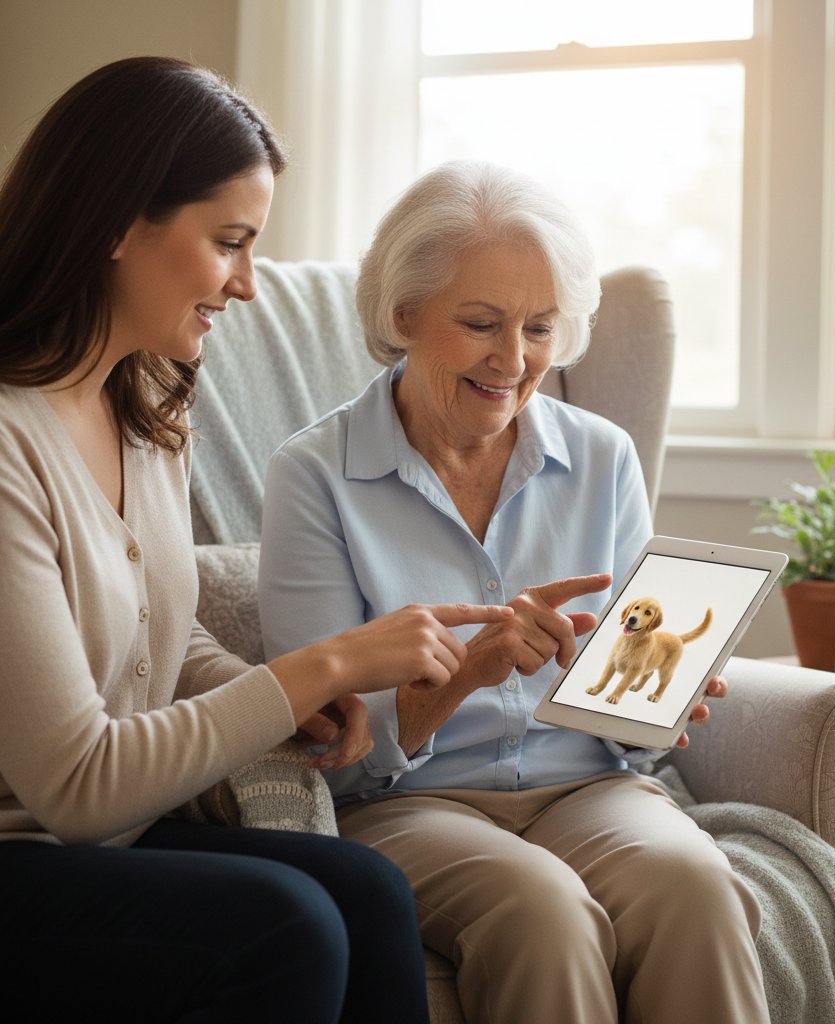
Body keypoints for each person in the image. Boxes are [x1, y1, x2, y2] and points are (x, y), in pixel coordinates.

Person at [0, 58, 515, 1024]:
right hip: (30, 854)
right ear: (117, 222)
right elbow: (76, 787)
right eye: (229, 242)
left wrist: (293, 703)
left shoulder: (147, 401)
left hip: (100, 848)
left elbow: (155, 639)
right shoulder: (7, 448)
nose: (246, 284)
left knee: (365, 890)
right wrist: (319, 665)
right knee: (287, 922)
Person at [258, 160, 771, 1023]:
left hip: (589, 788)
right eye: (482, 324)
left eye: (539, 327)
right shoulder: (314, 475)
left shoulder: (603, 456)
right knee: (543, 913)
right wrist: (462, 675)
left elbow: (630, 723)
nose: (514, 359)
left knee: (695, 884)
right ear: (404, 314)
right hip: (409, 805)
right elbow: (328, 743)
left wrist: (655, 698)